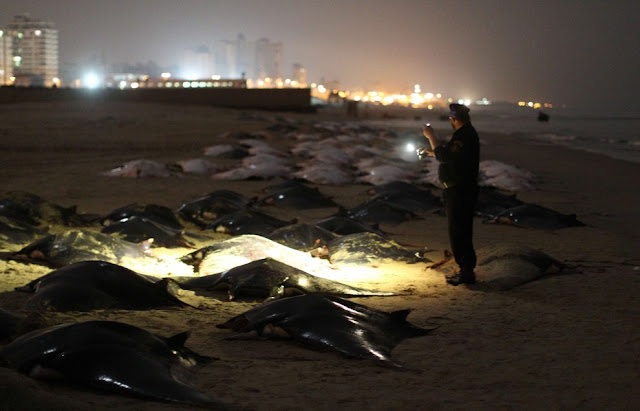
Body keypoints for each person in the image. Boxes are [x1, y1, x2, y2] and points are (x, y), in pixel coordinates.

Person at [420, 103, 480, 285]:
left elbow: (445, 157)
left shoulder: (464, 135)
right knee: (459, 229)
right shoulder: (464, 135)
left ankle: (466, 271)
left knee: (458, 230)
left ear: (453, 119)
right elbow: (451, 155)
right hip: (458, 189)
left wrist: (431, 137)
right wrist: (432, 153)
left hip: (460, 190)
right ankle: (465, 268)